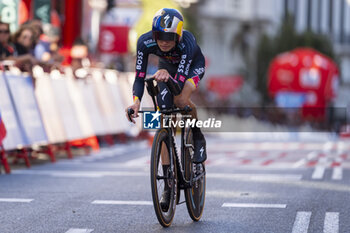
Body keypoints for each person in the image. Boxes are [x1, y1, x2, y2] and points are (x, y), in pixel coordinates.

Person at [125, 8, 207, 211]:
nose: (164, 41)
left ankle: (197, 135)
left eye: (169, 37)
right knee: (162, 119)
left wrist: (165, 74)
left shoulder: (186, 43)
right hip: (167, 69)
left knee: (180, 100)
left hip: (190, 68)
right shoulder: (145, 42)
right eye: (160, 36)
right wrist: (136, 102)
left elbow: (178, 86)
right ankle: (168, 186)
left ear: (178, 35)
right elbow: (139, 77)